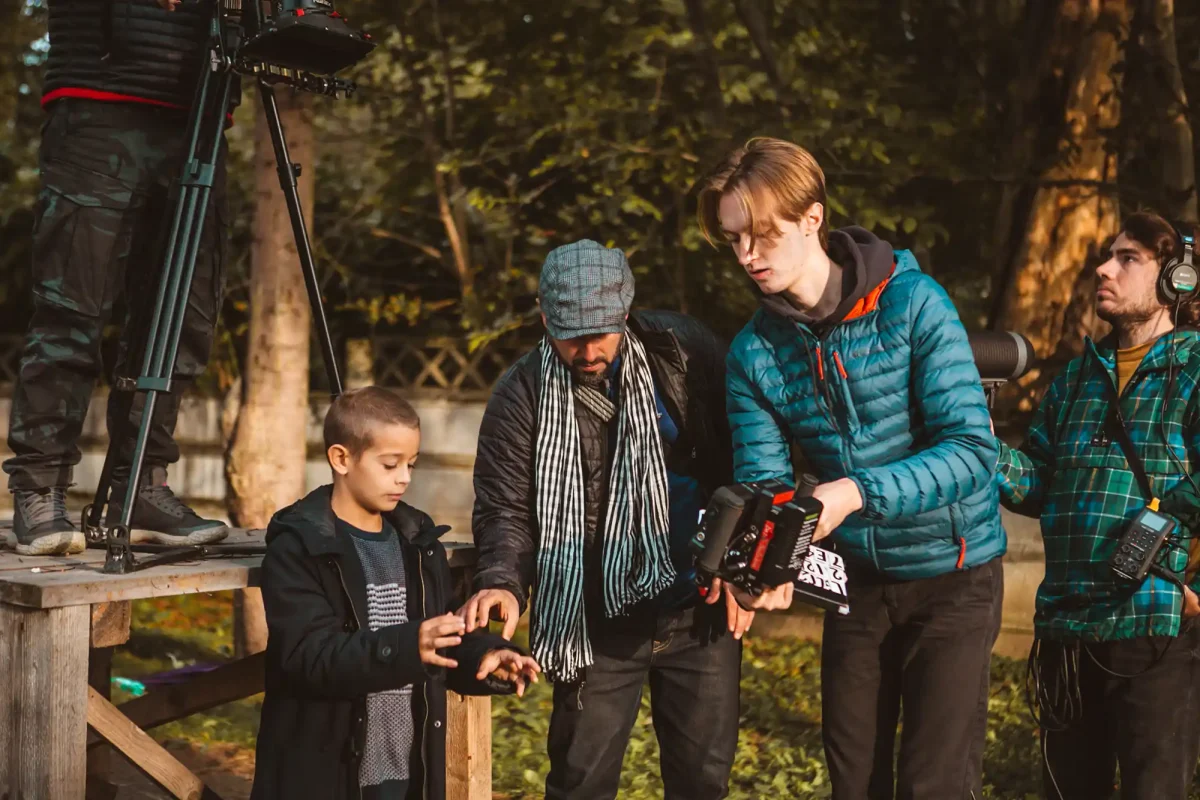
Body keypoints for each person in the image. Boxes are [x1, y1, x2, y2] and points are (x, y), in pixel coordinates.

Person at [699, 137, 1005, 800]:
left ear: (812, 218)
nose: (748, 257)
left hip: (953, 576)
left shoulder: (916, 303)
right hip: (856, 583)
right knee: (854, 780)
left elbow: (974, 452)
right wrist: (761, 565)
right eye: (734, 241)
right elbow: (767, 481)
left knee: (935, 784)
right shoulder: (755, 352)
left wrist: (856, 492)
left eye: (762, 236)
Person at [459, 239, 744, 800]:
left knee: (704, 781)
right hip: (595, 620)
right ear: (545, 317)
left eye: (601, 333)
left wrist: (738, 564)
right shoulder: (522, 394)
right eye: (570, 334)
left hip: (698, 608)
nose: (587, 350)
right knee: (579, 782)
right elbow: (504, 506)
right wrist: (501, 581)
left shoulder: (684, 353)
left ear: (626, 314)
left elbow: (740, 464)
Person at [5, 0, 230, 554]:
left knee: (180, 318)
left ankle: (141, 488)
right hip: (97, 106)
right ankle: (40, 489)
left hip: (200, 111)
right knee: (71, 310)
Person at [251, 386, 540, 800]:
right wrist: (408, 646)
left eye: (411, 464)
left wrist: (486, 654)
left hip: (410, 774)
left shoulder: (418, 544)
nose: (404, 477)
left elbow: (440, 641)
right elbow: (308, 658)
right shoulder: (300, 548)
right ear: (341, 459)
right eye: (390, 464)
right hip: (326, 777)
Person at [997, 212, 1200, 800]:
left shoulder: (1192, 372)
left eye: (1127, 258)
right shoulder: (1072, 381)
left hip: (1155, 625)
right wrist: (977, 447)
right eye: (1106, 256)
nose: (1103, 269)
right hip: (1068, 628)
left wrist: (1171, 533)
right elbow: (1038, 486)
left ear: (1176, 280)